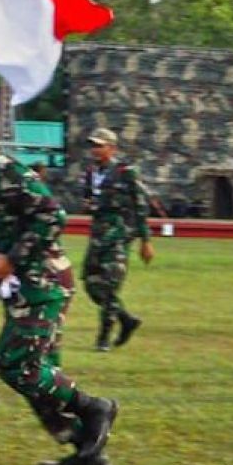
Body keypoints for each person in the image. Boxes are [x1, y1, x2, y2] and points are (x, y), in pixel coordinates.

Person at [0, 99, 120, 465]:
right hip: (26, 283)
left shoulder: (3, 170)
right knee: (41, 374)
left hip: (43, 281)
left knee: (15, 363)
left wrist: (13, 259)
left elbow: (53, 215)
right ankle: (88, 451)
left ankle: (94, 408)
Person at [82, 128, 155, 351]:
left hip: (119, 235)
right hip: (98, 235)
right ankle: (126, 320)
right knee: (91, 284)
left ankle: (103, 339)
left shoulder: (125, 172)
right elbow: (88, 199)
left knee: (109, 285)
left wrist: (145, 240)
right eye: (93, 145)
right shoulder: (91, 173)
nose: (95, 150)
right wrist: (89, 205)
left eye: (100, 145)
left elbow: (141, 205)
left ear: (111, 148)